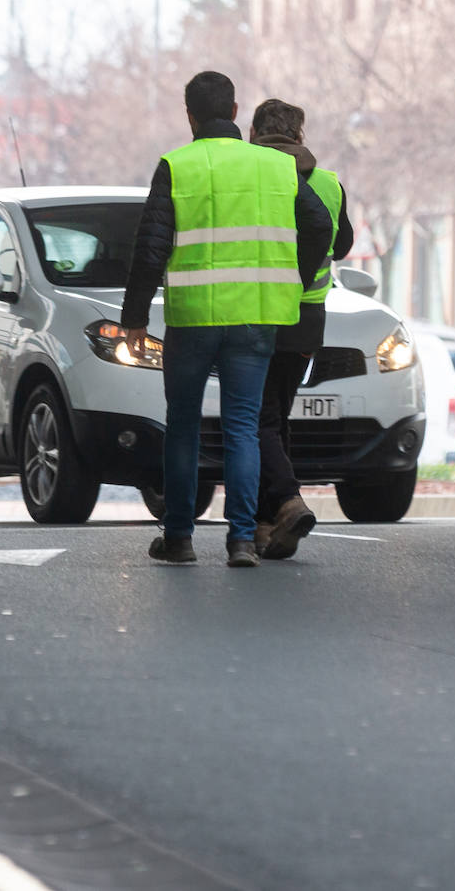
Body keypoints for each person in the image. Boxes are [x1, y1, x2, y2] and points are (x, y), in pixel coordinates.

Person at [121, 71, 333, 567]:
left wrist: (133, 319)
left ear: (189, 115)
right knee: (242, 426)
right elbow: (320, 223)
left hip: (194, 320)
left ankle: (179, 538)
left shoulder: (178, 165)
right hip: (257, 319)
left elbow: (150, 248)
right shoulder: (275, 166)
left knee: (184, 426)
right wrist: (294, 281)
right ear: (237, 112)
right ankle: (241, 539)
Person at [248, 99, 354, 560]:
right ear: (299, 133)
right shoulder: (329, 183)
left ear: (255, 132)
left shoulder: (254, 178)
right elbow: (344, 243)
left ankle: (288, 502)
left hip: (264, 309)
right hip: (309, 317)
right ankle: (269, 522)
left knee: (256, 418)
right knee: (275, 417)